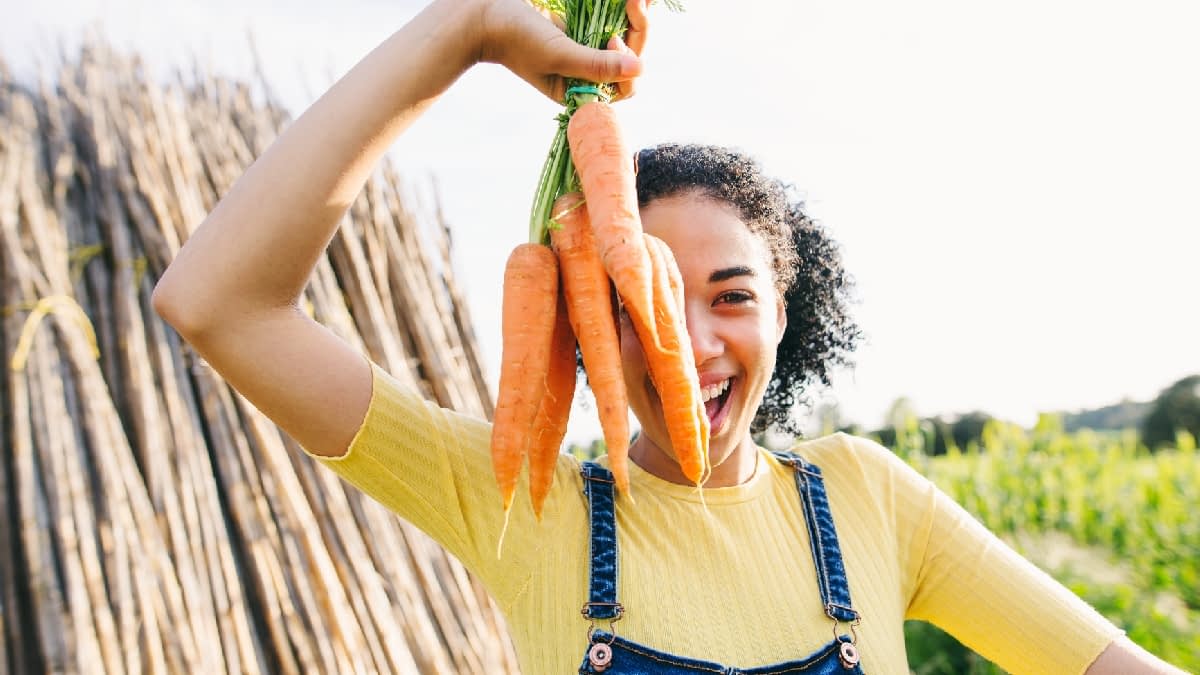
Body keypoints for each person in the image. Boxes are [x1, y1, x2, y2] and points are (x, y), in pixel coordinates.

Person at [152, 1, 1185, 673]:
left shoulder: (869, 498)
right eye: (641, 296)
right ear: (585, 317)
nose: (688, 342)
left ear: (786, 311)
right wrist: (462, 33)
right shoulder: (526, 502)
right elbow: (219, 302)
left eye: (731, 296)